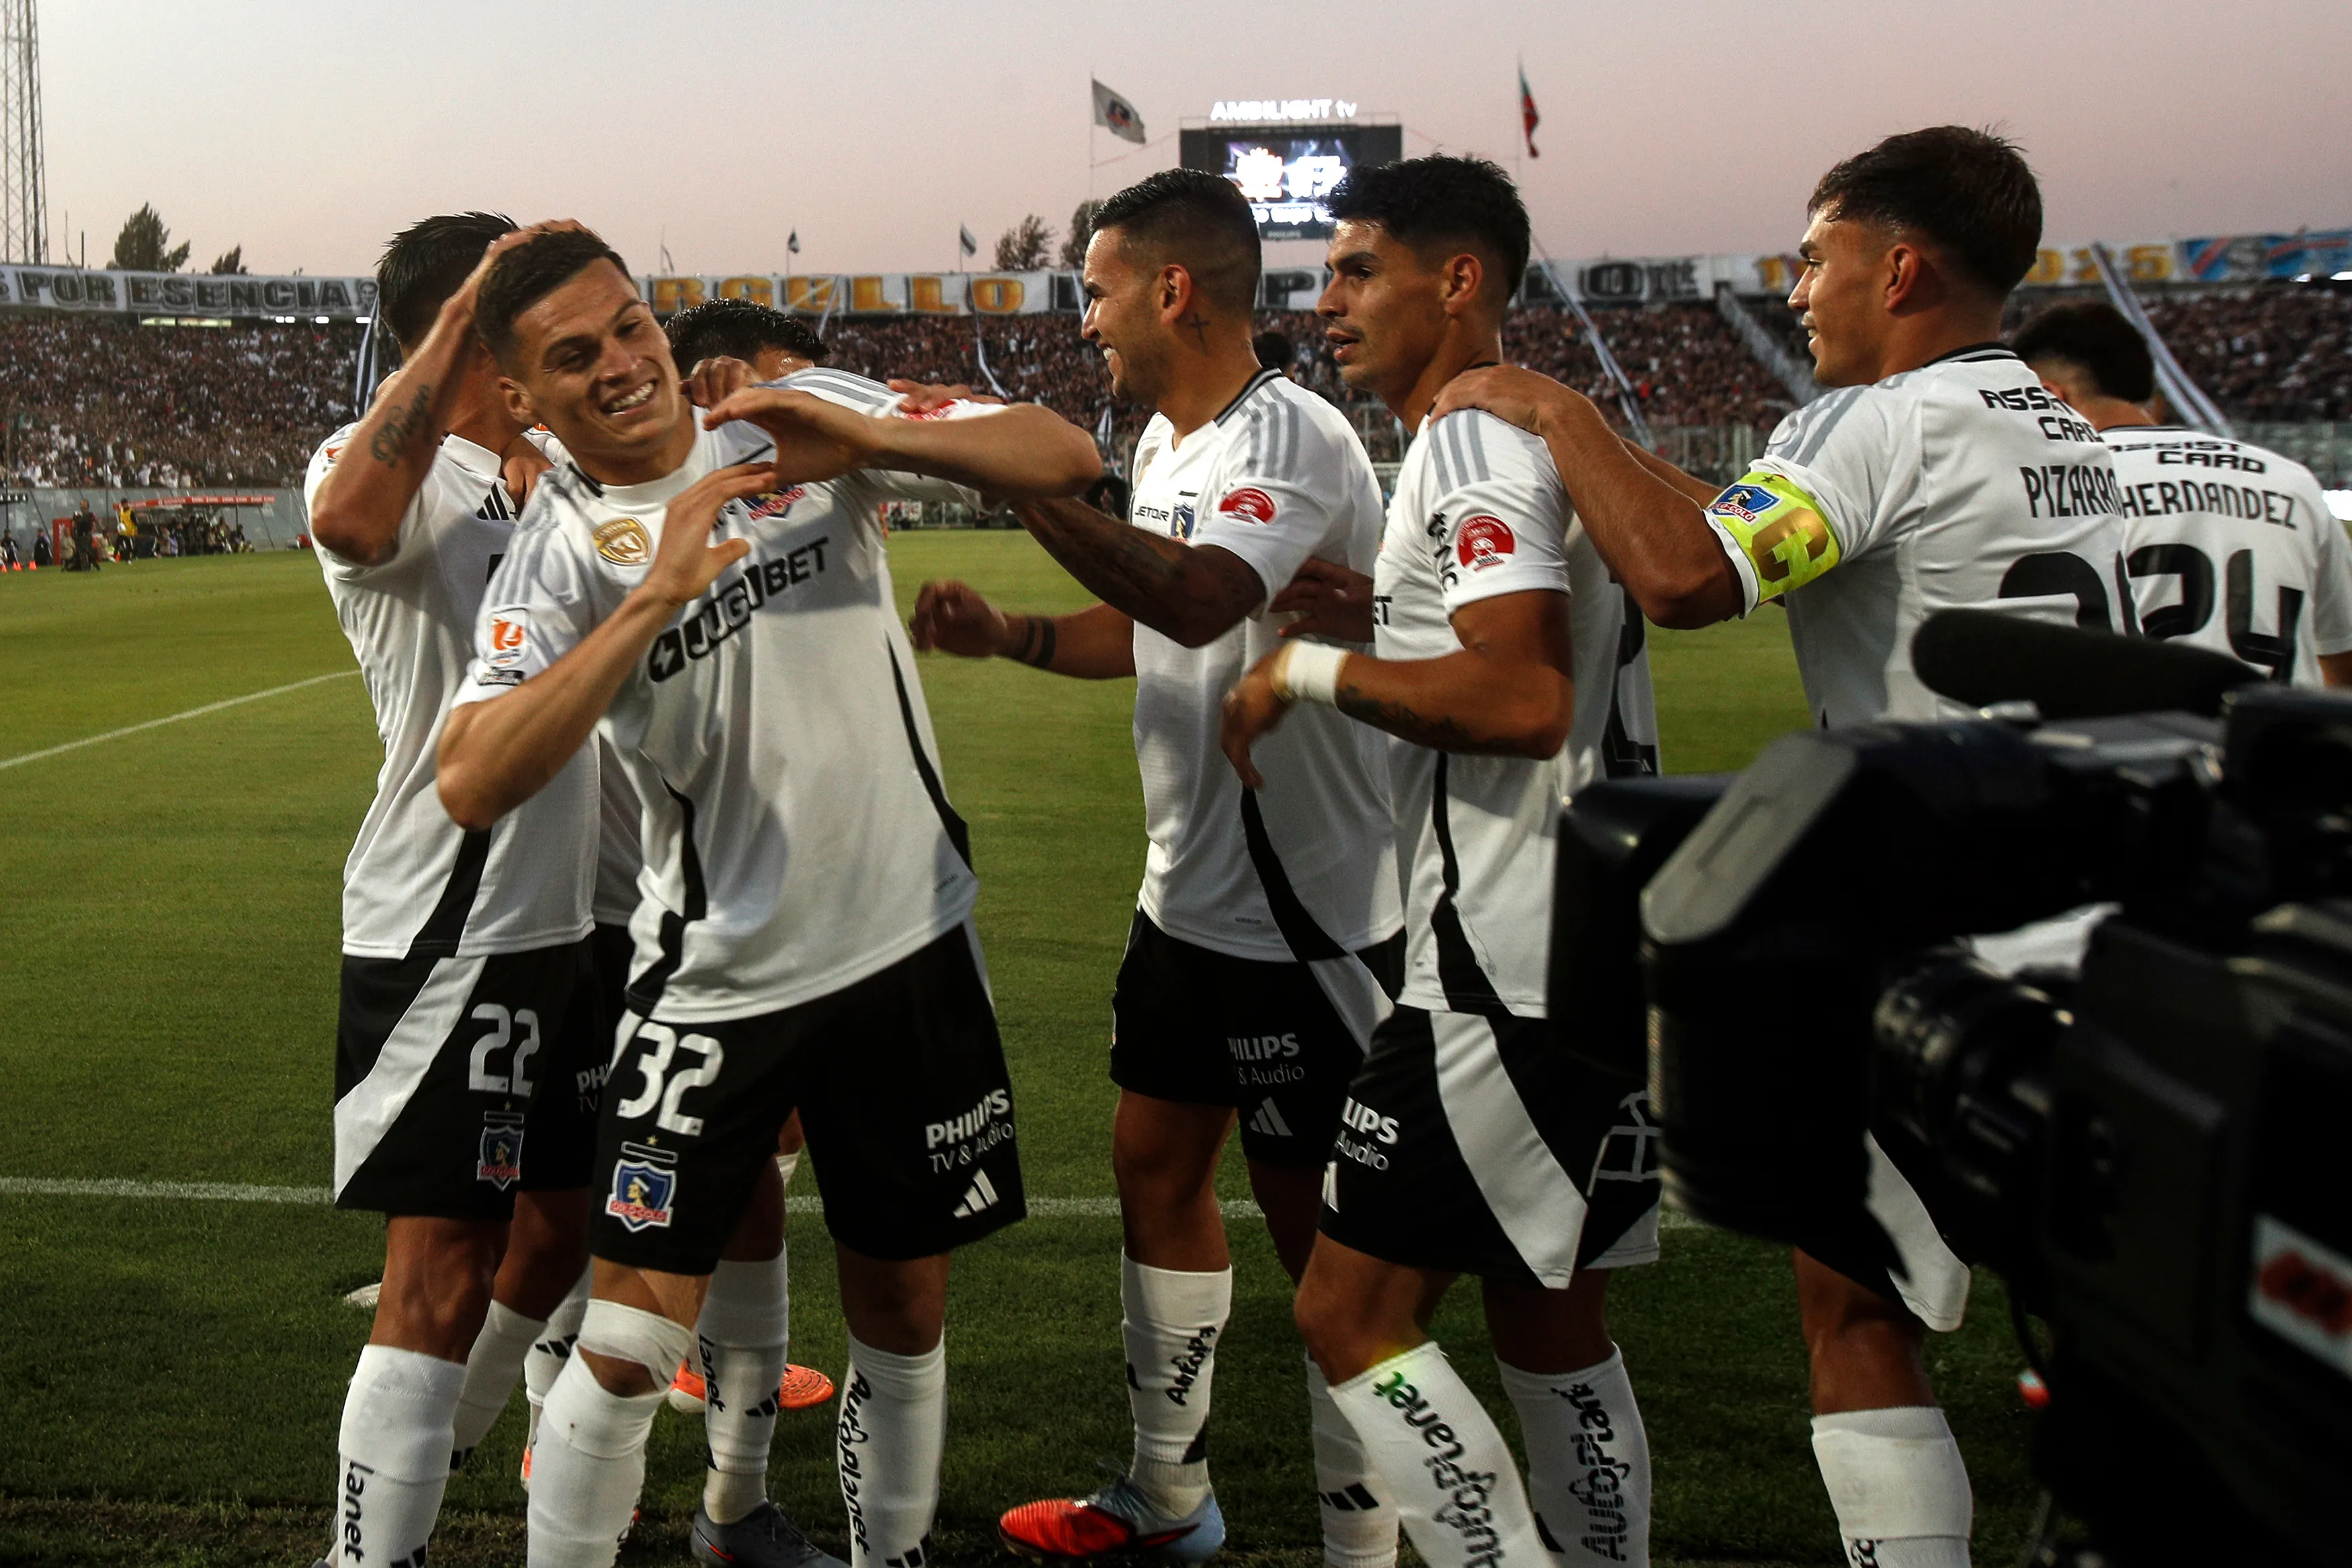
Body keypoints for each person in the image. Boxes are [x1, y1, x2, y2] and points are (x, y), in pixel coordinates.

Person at [1433, 126, 2128, 1568]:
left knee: (1856, 1308)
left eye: (1814, 258)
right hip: (2109, 934)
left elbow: (1688, 582)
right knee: (2112, 1344)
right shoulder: (2058, 425)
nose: (1796, 286)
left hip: (1948, 940)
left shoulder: (1884, 423)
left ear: (1902, 265)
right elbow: (1737, 532)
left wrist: (1559, 413)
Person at [433, 224, 1099, 1568]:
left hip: (909, 941)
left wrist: (859, 433)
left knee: (906, 1305)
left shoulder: (787, 420)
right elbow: (470, 776)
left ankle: (885, 1553)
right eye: (576, 355)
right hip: (720, 982)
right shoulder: (561, 552)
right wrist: (648, 603)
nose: (624, 364)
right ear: (520, 398)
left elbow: (1064, 456)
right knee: (623, 1348)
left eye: (630, 325)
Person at [912, 168, 1403, 1568]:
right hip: (1189, 897)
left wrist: (1002, 480)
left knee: (1331, 1261)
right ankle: (1168, 1500)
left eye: (1100, 289)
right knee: (1152, 1171)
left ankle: (1360, 1549)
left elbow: (1197, 597)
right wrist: (1014, 635)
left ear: (1174, 289)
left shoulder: (1289, 433)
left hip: (1310, 917)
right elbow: (1154, 624)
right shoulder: (1172, 443)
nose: (1088, 323)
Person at [1218, 154, 1663, 1568]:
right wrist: (1376, 607)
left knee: (1347, 1313)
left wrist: (1305, 666)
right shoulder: (1528, 442)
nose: (1326, 301)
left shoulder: (1472, 440)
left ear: (1456, 280)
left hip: (1501, 960)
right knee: (1548, 1312)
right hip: (1598, 948)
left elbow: (1518, 702)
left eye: (1355, 271)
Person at [300, 212, 606, 1568]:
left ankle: (463, 1451)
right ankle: (370, 1554)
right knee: (437, 1267)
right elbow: (348, 522)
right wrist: (473, 305)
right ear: (477, 325)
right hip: (451, 919)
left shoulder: (562, 476)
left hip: (580, 917)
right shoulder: (392, 470)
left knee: (562, 1224)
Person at [2013, 299, 2352, 689]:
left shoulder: (2050, 490)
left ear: (2051, 396)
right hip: (2269, 739)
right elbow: (2341, 659)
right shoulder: (2291, 481)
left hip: (2128, 741)